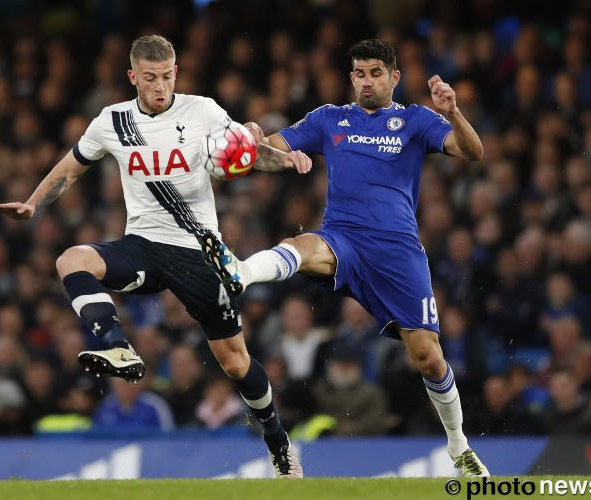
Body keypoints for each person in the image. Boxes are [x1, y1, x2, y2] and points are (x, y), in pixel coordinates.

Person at [0, 35, 307, 477]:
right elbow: (69, 169)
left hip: (200, 252)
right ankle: (118, 348)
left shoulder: (204, 111)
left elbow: (245, 154)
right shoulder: (112, 121)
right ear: (132, 77)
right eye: (150, 78)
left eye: (167, 76)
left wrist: (284, 159)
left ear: (176, 72)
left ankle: (278, 443)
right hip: (142, 244)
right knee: (71, 259)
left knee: (234, 361)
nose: (160, 86)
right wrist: (32, 203)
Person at [201, 38, 490, 476]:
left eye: (376, 72)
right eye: (359, 73)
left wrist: (452, 113)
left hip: (397, 252)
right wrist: (253, 142)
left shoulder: (415, 120)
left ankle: (458, 447)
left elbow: (473, 152)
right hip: (345, 240)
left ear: (394, 77)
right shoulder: (328, 119)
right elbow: (268, 152)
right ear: (351, 77)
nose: (367, 81)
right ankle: (239, 272)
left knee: (429, 357)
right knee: (302, 247)